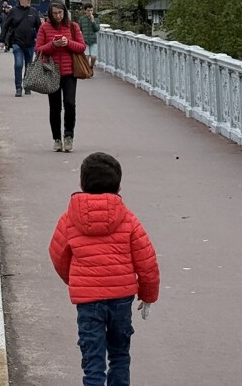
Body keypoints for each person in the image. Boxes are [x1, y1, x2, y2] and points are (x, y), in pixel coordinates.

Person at [49, 151, 160, 386]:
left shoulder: (69, 219)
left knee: (93, 362)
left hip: (88, 302)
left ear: (81, 183)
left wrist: (76, 279)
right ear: (119, 187)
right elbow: (146, 260)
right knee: (120, 355)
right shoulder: (128, 219)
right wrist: (148, 295)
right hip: (121, 298)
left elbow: (58, 254)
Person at [36, 0, 87, 152]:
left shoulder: (73, 26)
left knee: (70, 104)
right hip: (52, 72)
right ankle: (57, 139)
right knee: (55, 107)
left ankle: (69, 136)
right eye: (54, 13)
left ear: (64, 12)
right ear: (50, 14)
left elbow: (81, 47)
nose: (57, 16)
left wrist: (68, 43)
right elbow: (38, 49)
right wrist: (53, 45)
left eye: (60, 13)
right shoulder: (45, 27)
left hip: (70, 72)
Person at [0, 0, 42, 98]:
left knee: (28, 66)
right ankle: (18, 88)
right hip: (17, 42)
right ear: (20, 0)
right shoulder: (13, 11)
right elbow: (6, 26)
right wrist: (2, 39)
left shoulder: (33, 11)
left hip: (30, 43)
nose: (29, 1)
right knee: (18, 65)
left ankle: (27, 85)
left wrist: (41, 40)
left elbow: (39, 27)